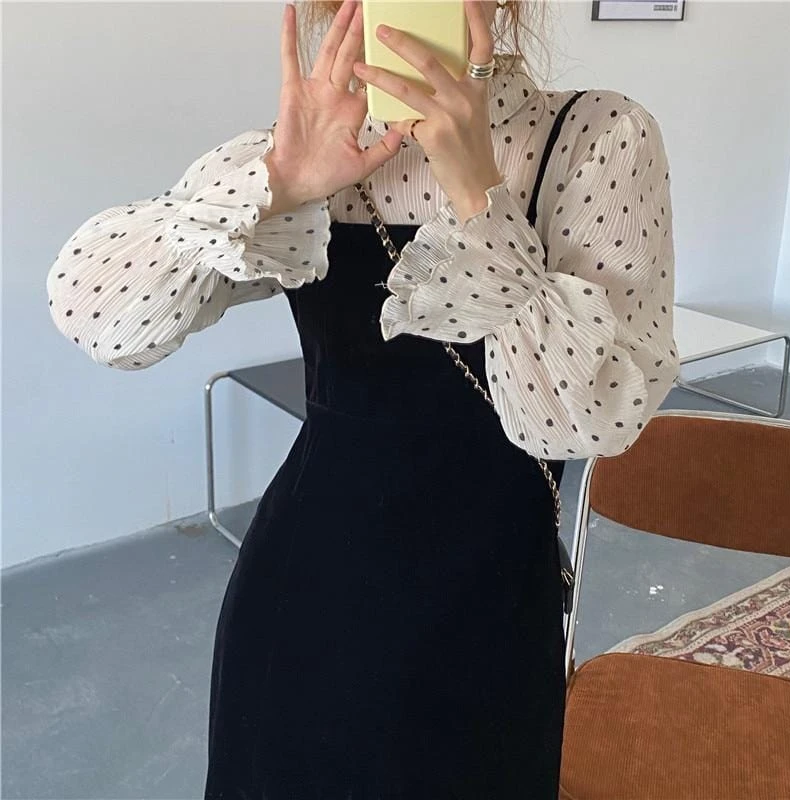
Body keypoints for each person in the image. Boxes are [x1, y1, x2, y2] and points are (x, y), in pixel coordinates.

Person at [45, 0, 679, 796]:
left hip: (490, 603)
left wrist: (479, 193)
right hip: (303, 595)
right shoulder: (306, 147)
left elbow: (588, 419)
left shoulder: (596, 137)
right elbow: (94, 313)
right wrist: (279, 182)